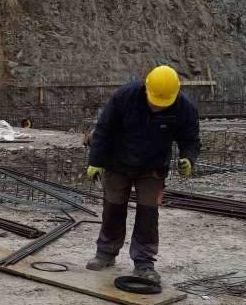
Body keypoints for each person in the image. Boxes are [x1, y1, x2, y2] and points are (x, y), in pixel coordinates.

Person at [85, 65, 200, 283]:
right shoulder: (125, 97)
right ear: (146, 88)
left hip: (153, 166)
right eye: (154, 101)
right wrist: (96, 161)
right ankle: (106, 253)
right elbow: (103, 129)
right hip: (117, 161)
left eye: (162, 103)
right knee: (113, 207)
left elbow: (191, 138)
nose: (157, 107)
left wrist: (189, 158)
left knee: (148, 213)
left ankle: (144, 263)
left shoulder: (184, 108)